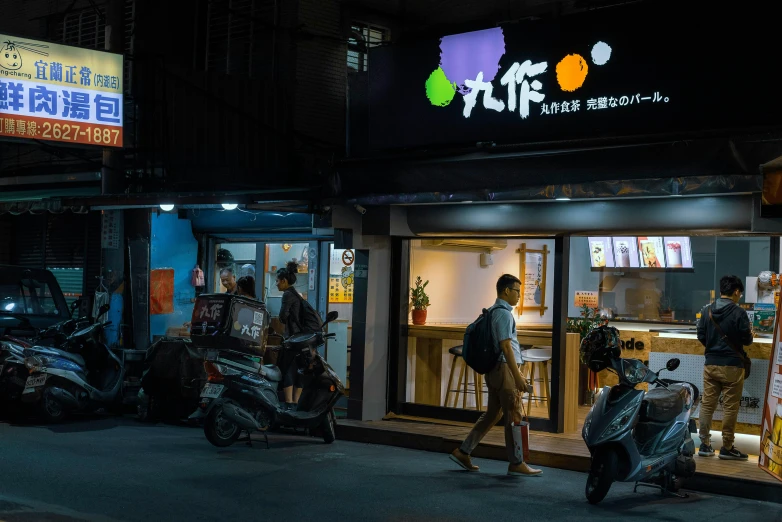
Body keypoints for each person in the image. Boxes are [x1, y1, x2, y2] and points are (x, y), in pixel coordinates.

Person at [449, 274, 542, 476]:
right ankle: (516, 462)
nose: (519, 295)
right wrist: (517, 376)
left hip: (496, 370)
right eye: (517, 291)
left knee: (493, 413)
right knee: (514, 414)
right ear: (506, 291)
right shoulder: (503, 314)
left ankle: (463, 451)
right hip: (504, 370)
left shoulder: (492, 312)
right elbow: (506, 346)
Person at [696, 275, 753, 461]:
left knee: (707, 405)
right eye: (740, 293)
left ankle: (704, 445)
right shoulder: (739, 313)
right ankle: (727, 447)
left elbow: (701, 336)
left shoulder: (707, 310)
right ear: (736, 292)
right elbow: (747, 340)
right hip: (732, 367)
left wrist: (713, 348)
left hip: (710, 364)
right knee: (730, 408)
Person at [276, 261, 311, 409]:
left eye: (277, 281)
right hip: (302, 339)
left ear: (284, 281)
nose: (276, 284)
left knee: (288, 370)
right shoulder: (297, 294)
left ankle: (289, 404)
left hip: (292, 339)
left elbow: (282, 317)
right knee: (299, 370)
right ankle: (296, 403)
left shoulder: (287, 295)